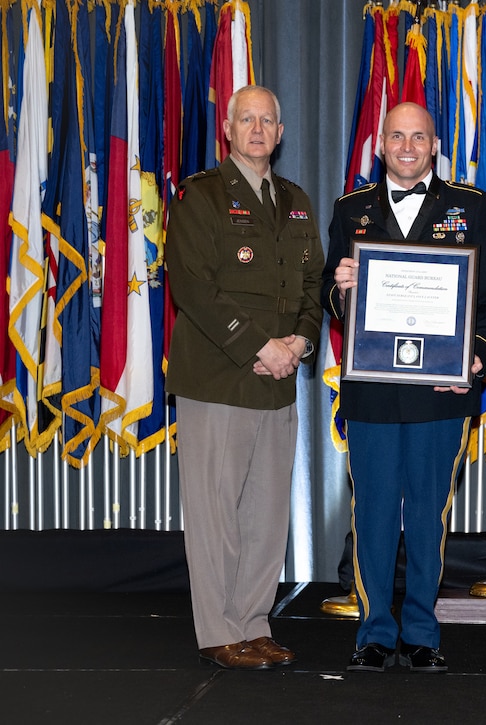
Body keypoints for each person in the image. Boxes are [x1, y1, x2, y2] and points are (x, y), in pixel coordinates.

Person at [322, 102, 486, 673]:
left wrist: (473, 364)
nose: (408, 147)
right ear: (381, 145)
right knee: (375, 512)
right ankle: (375, 631)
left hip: (441, 395)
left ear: (435, 145)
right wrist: (342, 288)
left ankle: (423, 633)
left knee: (429, 513)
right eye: (397, 136)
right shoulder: (350, 210)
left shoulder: (472, 207)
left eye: (420, 137)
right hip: (373, 391)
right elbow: (330, 300)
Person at [165, 85, 324, 669]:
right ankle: (218, 631)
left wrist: (300, 342)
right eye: (246, 119)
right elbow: (194, 288)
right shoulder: (200, 196)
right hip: (218, 378)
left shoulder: (296, 201)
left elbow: (313, 286)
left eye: (268, 121)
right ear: (227, 130)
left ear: (281, 134)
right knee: (215, 512)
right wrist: (259, 345)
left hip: (278, 378)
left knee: (265, 513)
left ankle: (255, 623)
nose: (258, 129)